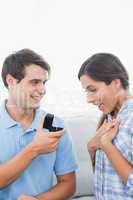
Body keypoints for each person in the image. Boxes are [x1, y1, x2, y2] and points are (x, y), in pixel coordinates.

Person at [0, 49, 77, 200]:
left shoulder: (56, 124)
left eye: (44, 82)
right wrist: (34, 149)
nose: (42, 90)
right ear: (11, 81)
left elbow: (68, 184)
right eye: (34, 82)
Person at [78, 53, 133, 199]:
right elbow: (103, 178)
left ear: (116, 83)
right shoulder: (108, 118)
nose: (88, 99)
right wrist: (92, 147)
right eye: (87, 91)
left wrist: (106, 145)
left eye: (93, 90)